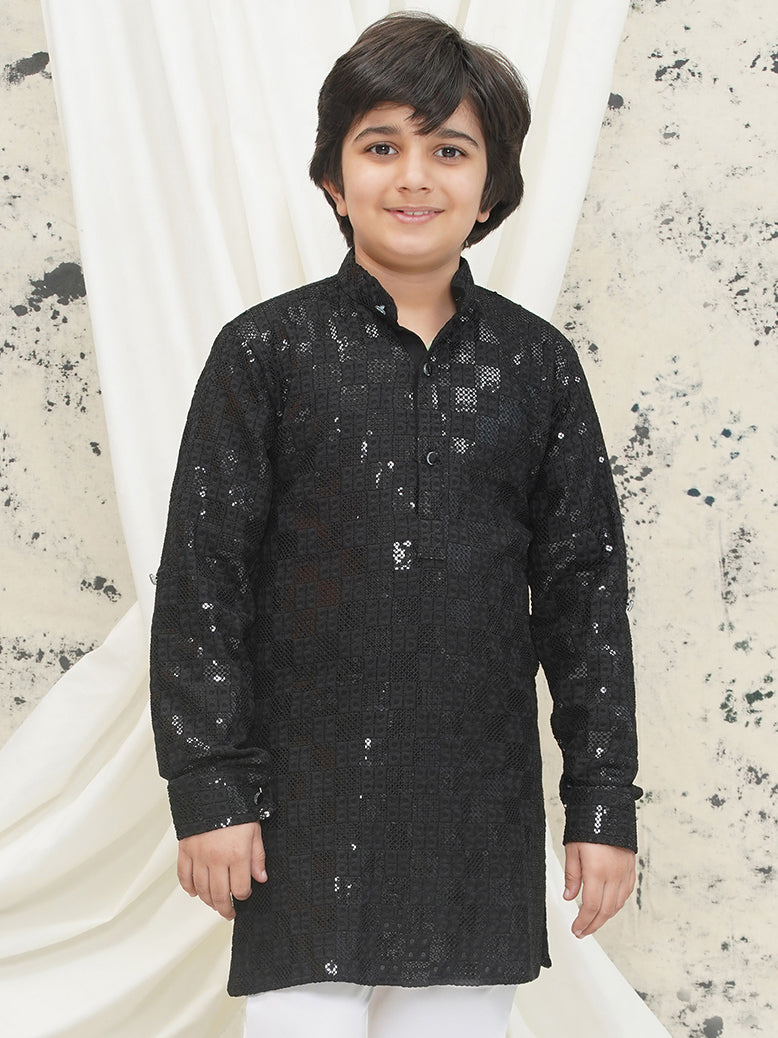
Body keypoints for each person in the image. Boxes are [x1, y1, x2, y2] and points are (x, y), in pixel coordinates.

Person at [150, 12, 642, 1038]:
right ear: (333, 179)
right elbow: (204, 582)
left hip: (476, 811)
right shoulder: (266, 353)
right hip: (299, 808)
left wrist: (602, 804)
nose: (414, 177)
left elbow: (584, 598)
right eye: (381, 147)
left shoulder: (537, 367)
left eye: (449, 151)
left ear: (492, 188)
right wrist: (209, 790)